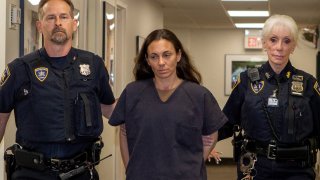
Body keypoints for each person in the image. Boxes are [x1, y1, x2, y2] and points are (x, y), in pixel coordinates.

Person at [0, 0, 116, 179]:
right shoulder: (19, 69)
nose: (58, 23)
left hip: (82, 172)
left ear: (74, 24)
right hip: (32, 174)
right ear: (40, 25)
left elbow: (110, 109)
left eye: (64, 17)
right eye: (51, 17)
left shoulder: (93, 65)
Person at [108, 29, 227, 180]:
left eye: (167, 55)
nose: (161, 63)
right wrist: (130, 169)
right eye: (154, 57)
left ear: (178, 55)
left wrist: (192, 168)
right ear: (147, 60)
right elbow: (124, 132)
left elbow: (211, 135)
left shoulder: (198, 95)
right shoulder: (133, 92)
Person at [218, 14, 320, 180]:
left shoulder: (308, 83)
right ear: (264, 43)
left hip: (297, 170)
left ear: (293, 46)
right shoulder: (246, 80)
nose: (279, 47)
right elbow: (226, 123)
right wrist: (204, 142)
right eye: (273, 39)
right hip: (255, 169)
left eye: (286, 41)